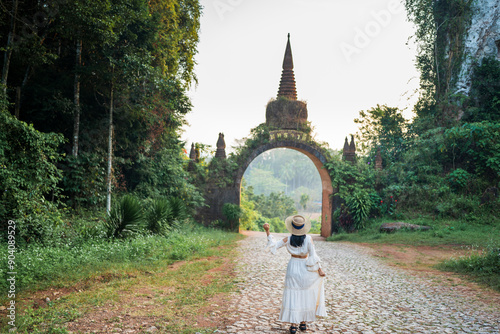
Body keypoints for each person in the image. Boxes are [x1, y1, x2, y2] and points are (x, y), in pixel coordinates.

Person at [263, 214, 327, 333]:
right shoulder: (308, 239)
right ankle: (303, 323)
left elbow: (273, 246)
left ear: (292, 227)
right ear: (303, 227)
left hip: (292, 267)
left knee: (293, 294)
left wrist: (268, 231)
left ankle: (293, 325)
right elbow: (313, 255)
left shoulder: (288, 239)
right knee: (304, 293)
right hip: (305, 267)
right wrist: (320, 270)